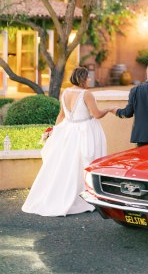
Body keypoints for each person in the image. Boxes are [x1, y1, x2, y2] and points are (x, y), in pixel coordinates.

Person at [22, 66, 114, 217]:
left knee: (69, 164)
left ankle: (65, 194)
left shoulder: (65, 92)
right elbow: (96, 114)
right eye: (88, 77)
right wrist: (109, 109)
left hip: (69, 132)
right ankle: (86, 195)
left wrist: (55, 132)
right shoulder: (86, 94)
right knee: (84, 163)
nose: (90, 80)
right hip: (85, 132)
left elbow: (61, 115)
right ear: (82, 79)